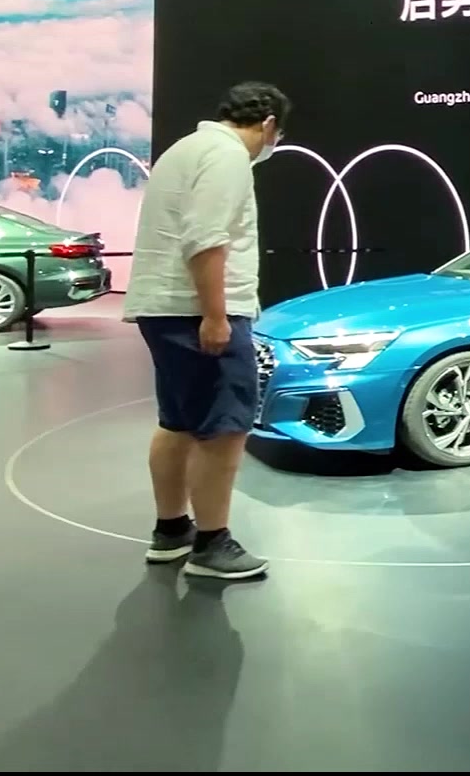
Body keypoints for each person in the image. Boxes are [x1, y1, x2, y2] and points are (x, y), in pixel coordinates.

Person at [122, 81, 290, 581]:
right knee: (224, 429)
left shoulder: (186, 148)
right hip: (197, 311)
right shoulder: (227, 156)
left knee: (178, 422)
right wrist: (215, 316)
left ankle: (172, 530)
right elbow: (205, 238)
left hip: (165, 308)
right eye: (277, 134)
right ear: (268, 125)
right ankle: (212, 545)